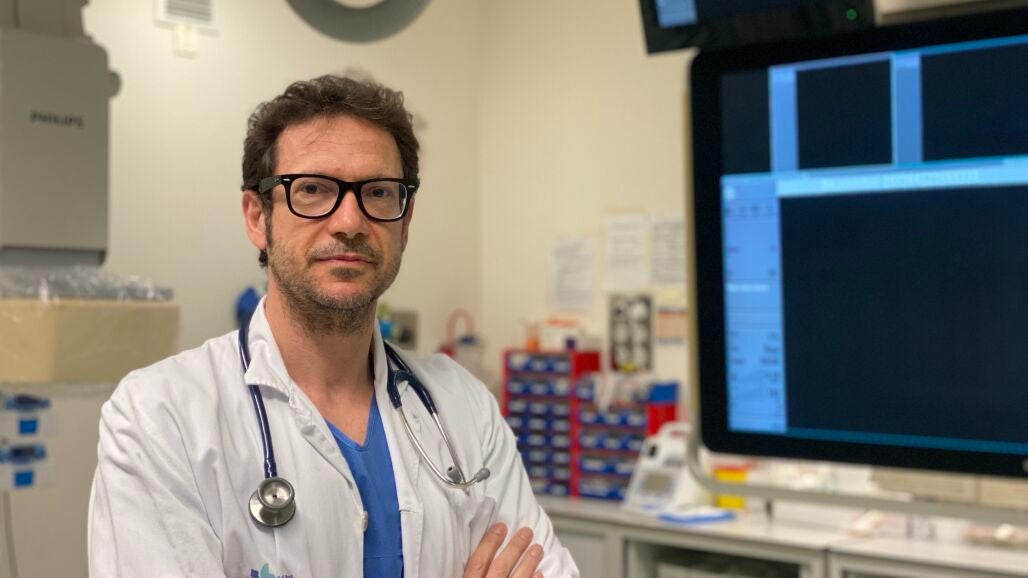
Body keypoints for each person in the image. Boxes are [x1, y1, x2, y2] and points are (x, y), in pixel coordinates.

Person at [88, 75, 579, 578]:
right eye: (313, 189)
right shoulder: (160, 418)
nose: (349, 221)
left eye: (379, 193)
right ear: (257, 216)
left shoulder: (463, 407)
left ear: (405, 223)